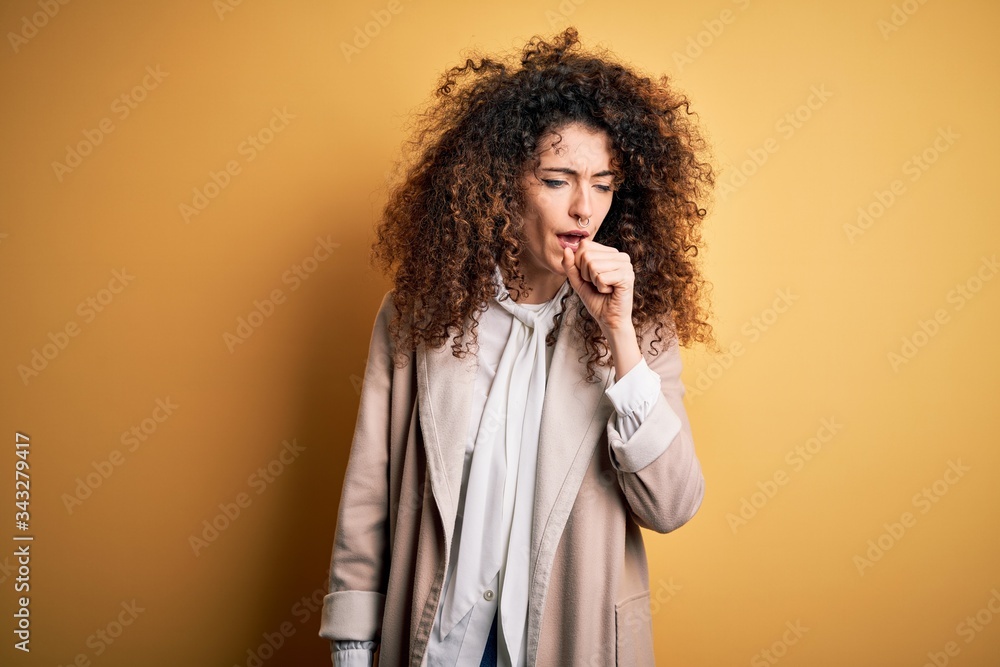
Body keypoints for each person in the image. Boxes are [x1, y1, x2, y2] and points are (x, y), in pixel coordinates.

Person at [319, 26, 715, 667]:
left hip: (571, 643)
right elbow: (370, 486)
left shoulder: (639, 322)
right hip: (438, 641)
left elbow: (670, 506)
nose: (585, 208)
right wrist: (353, 645)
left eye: (604, 184)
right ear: (501, 183)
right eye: (558, 180)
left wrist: (618, 336)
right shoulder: (421, 309)